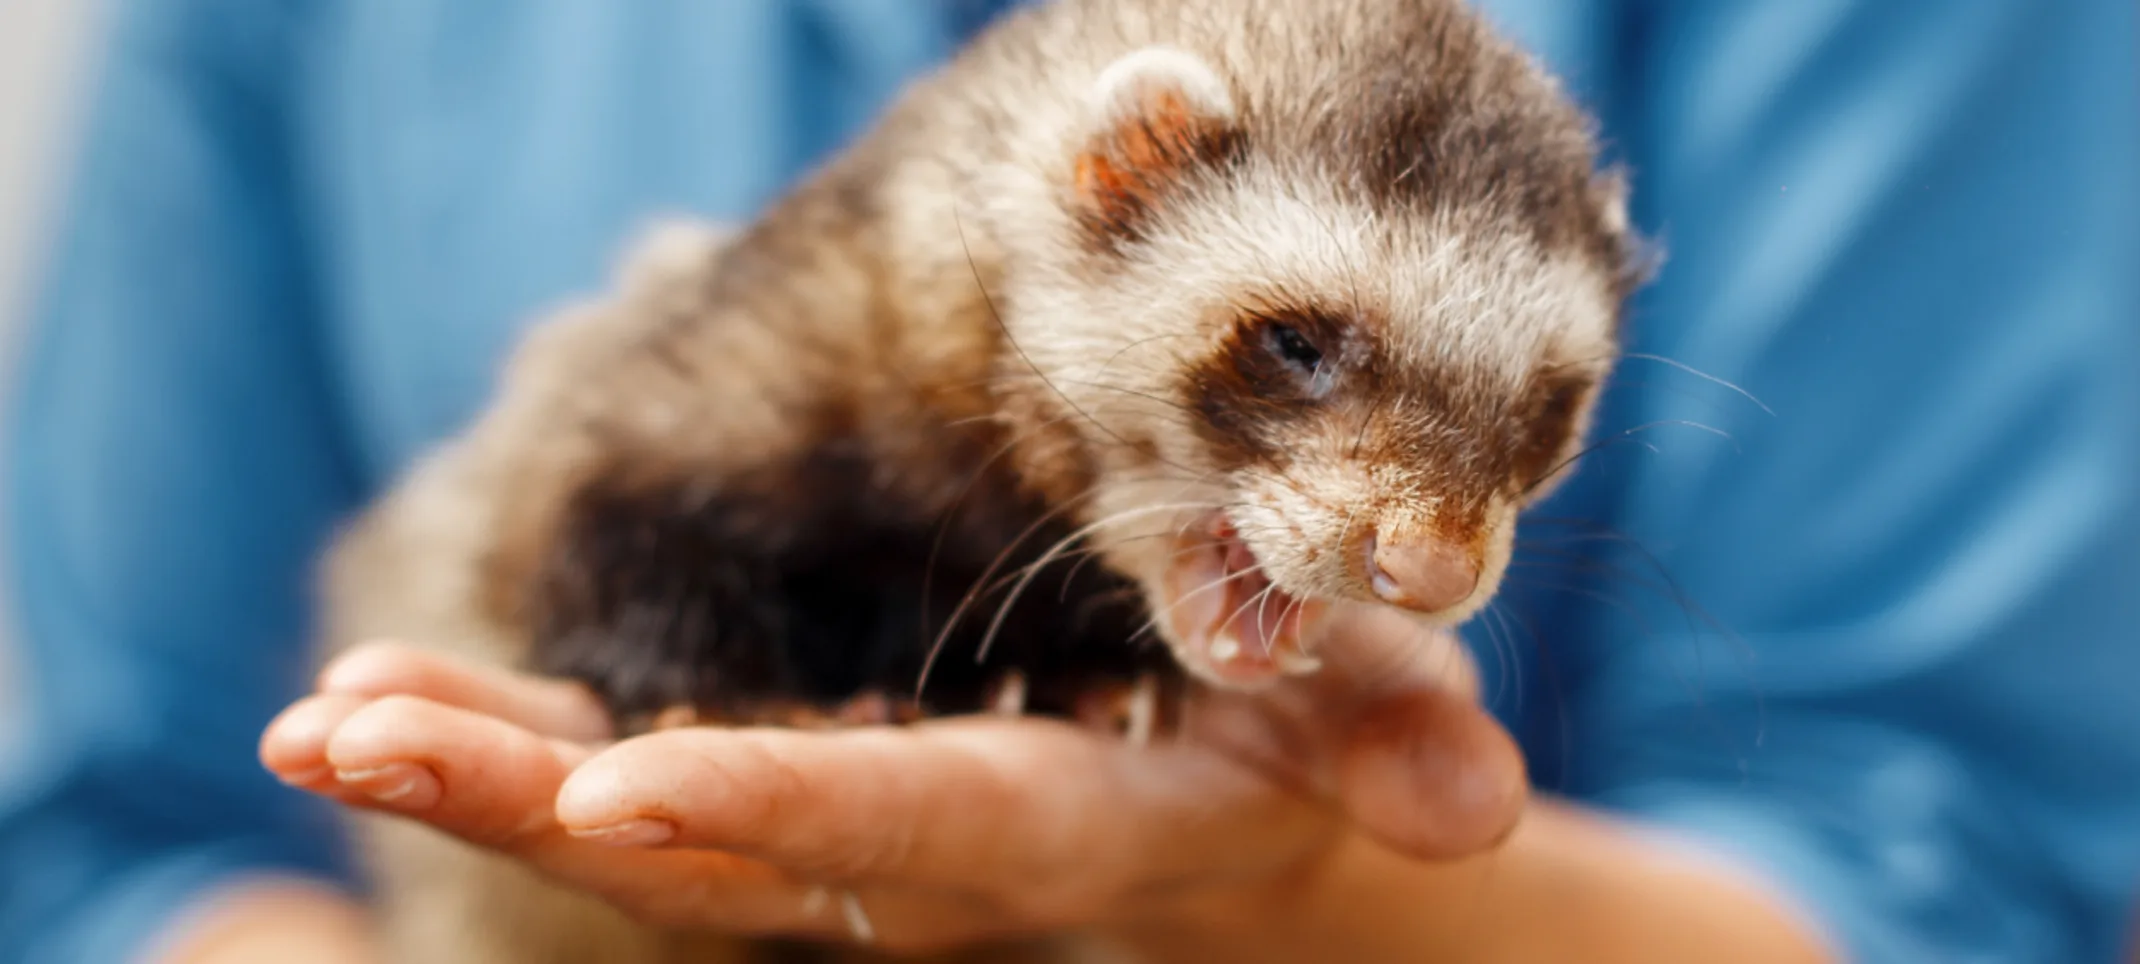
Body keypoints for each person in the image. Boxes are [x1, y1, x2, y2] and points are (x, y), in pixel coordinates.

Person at [3, 0, 2135, 960]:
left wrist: (1285, 893)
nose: (1428, 528)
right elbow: (112, 829)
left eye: (1533, 426)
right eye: (1303, 356)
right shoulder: (739, 395)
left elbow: (1933, 862)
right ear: (1113, 191)